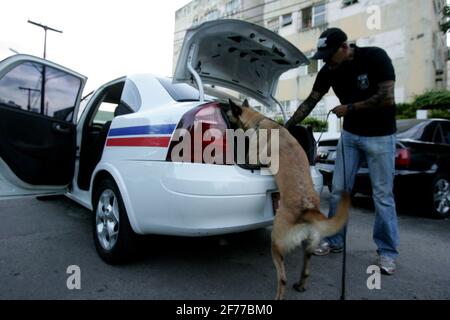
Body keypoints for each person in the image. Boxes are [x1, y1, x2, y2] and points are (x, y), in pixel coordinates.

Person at [285, 28, 399, 275]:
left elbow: (387, 97)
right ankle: (335, 241)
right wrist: (286, 127)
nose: (326, 61)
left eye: (329, 55)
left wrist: (351, 107)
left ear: (344, 47)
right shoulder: (329, 70)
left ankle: (387, 253)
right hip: (350, 137)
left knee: (381, 196)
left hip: (381, 136)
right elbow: (311, 101)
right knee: (338, 191)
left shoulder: (375, 57)